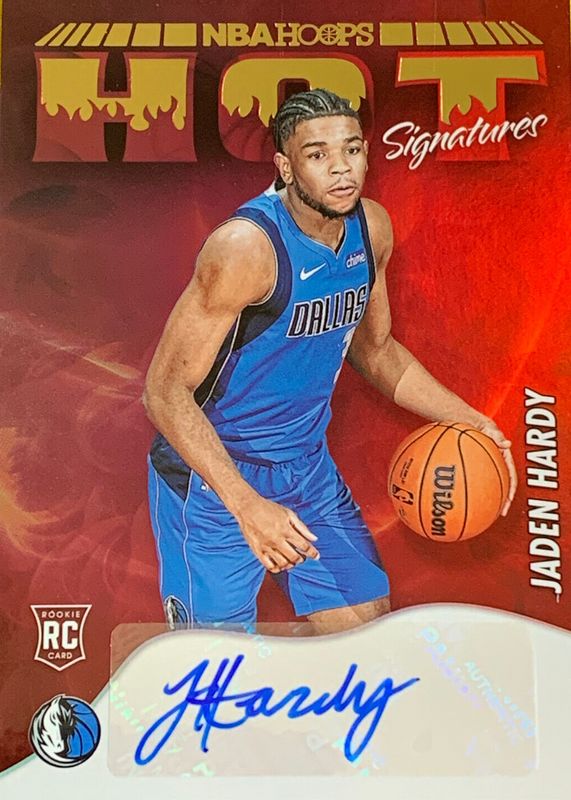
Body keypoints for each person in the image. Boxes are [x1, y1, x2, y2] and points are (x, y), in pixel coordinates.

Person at [143, 89, 516, 635]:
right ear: (285, 168)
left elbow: (376, 350)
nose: (341, 168)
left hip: (306, 468)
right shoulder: (246, 248)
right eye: (317, 154)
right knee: (213, 659)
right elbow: (164, 393)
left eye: (352, 149)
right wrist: (247, 505)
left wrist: (472, 422)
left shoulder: (371, 228)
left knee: (365, 634)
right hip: (213, 480)